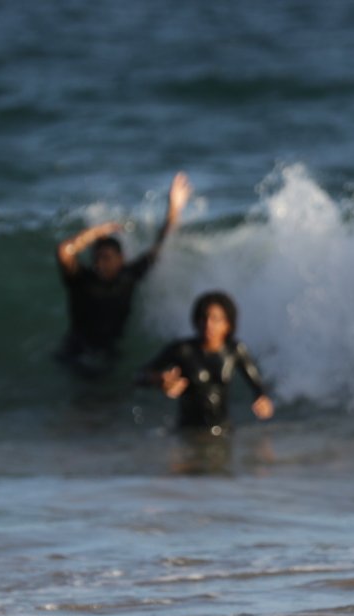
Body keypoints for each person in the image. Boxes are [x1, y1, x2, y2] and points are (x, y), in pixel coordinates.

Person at [55, 172, 192, 377]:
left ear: (121, 259)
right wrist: (95, 233)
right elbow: (64, 251)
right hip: (77, 350)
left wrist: (174, 209)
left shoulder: (128, 276)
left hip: (109, 350)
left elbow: (160, 245)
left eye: (107, 258)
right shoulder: (81, 279)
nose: (100, 263)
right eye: (97, 258)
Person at [135, 291, 274, 434]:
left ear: (228, 324)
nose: (208, 324)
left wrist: (262, 399)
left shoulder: (235, 350)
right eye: (204, 318)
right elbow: (140, 376)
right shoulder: (183, 350)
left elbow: (258, 385)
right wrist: (158, 379)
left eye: (215, 319)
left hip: (223, 432)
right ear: (196, 320)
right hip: (188, 434)